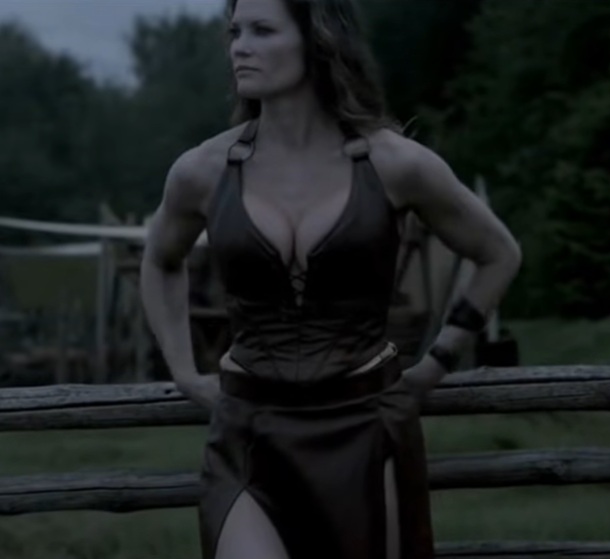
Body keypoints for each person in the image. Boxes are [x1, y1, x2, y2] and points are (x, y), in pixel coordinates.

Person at [140, 0, 522, 557]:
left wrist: (438, 361)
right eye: (235, 32)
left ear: (318, 41)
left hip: (364, 425)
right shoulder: (203, 169)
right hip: (250, 428)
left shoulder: (395, 162)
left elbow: (498, 253)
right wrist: (182, 370)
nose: (240, 47)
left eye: (262, 31)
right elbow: (160, 261)